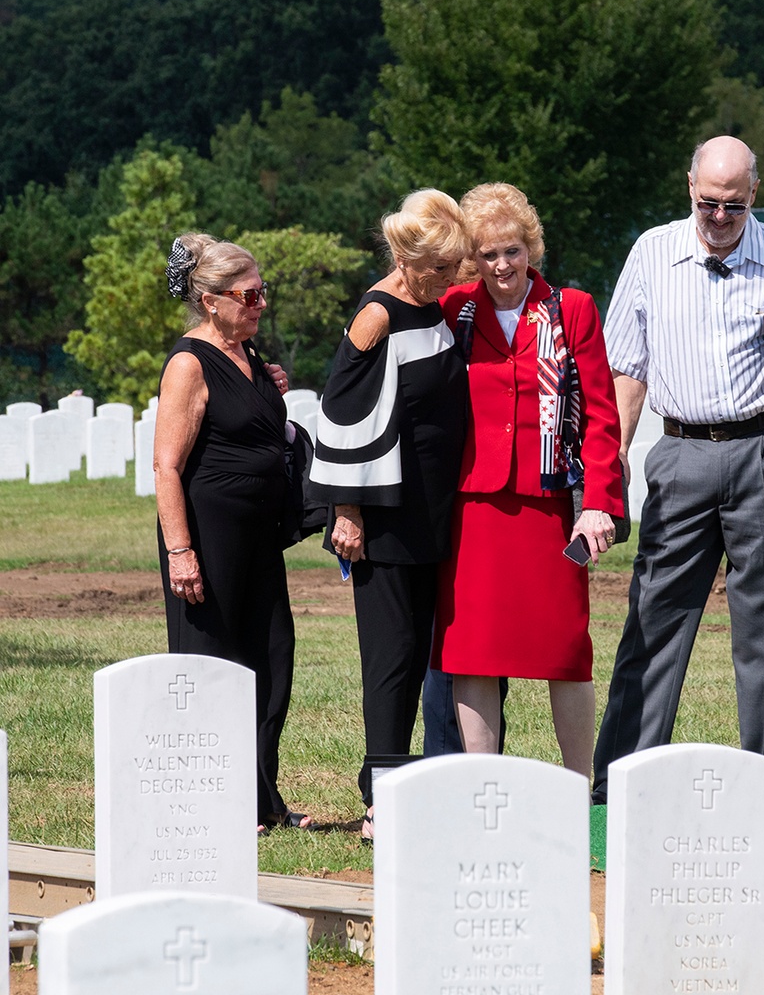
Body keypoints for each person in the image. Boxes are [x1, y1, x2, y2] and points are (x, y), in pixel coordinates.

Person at [591, 135, 764, 802]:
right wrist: (613, 461)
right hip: (679, 451)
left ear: (753, 197)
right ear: (689, 188)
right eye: (708, 203)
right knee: (653, 615)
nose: (717, 218)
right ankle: (620, 780)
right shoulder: (652, 253)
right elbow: (626, 368)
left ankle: (760, 783)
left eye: (732, 207)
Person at [431, 183, 623, 779]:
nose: (501, 265)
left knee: (565, 650)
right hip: (473, 508)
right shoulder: (455, 309)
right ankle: (480, 782)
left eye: (511, 250)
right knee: (475, 653)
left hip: (550, 510)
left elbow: (600, 414)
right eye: (487, 254)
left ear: (531, 248)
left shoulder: (572, 310)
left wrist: (599, 505)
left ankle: (578, 782)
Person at [308, 190, 470, 839]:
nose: (453, 279)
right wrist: (346, 512)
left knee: (431, 650)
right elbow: (341, 414)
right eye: (441, 268)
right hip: (385, 517)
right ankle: (380, 796)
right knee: (393, 656)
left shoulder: (426, 305)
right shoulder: (377, 315)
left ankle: (424, 780)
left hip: (434, 508)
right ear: (407, 260)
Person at [154, 233, 311, 833]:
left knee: (271, 660)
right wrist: (181, 551)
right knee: (214, 664)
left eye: (263, 293)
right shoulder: (190, 363)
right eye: (249, 295)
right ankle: (224, 800)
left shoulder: (249, 356)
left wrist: (269, 393)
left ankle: (262, 797)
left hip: (259, 537)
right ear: (210, 299)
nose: (260, 305)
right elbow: (167, 465)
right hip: (208, 539)